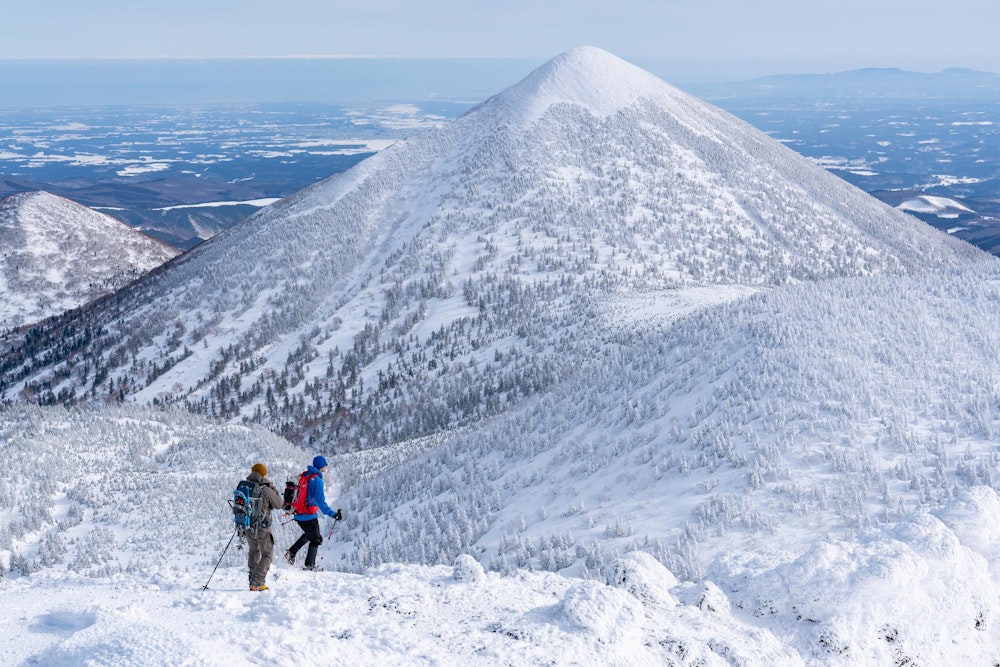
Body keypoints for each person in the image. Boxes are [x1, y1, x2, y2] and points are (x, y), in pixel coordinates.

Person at [284, 455, 342, 571]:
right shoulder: (318, 481)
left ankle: (291, 553)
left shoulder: (306, 475)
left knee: (309, 534)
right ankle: (310, 565)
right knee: (316, 539)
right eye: (325, 464)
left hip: (298, 513)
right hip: (308, 515)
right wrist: (333, 514)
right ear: (321, 466)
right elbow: (321, 502)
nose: (326, 466)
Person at [244, 463, 283, 591]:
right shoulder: (265, 489)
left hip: (248, 526)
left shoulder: (246, 487)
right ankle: (257, 581)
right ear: (263, 474)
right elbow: (278, 504)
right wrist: (271, 486)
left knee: (253, 551)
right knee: (267, 554)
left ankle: (252, 578)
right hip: (262, 527)